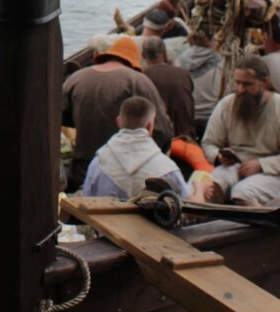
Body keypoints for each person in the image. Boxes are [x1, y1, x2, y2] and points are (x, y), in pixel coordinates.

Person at [63, 36, 174, 190]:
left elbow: (60, 117)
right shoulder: (138, 80)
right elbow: (164, 130)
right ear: (132, 63)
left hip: (81, 170)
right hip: (124, 175)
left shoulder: (75, 78)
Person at [200, 56, 280, 206]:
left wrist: (262, 164)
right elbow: (209, 143)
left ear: (264, 82)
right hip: (234, 167)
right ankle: (210, 225)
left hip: (273, 173)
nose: (240, 89)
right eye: (237, 83)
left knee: (243, 193)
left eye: (247, 84)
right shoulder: (227, 104)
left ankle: (258, 228)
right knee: (211, 185)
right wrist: (218, 157)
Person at [81, 96, 188, 199]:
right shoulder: (167, 169)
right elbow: (184, 204)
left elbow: (86, 200)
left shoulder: (98, 162)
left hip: (100, 217)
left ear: (118, 122)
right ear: (149, 126)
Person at [141, 35, 196, 138]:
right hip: (185, 136)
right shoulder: (183, 74)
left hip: (154, 137)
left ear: (143, 56)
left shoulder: (141, 77)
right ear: (165, 54)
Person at [175, 31, 224, 123]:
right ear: (210, 41)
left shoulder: (180, 59)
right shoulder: (222, 62)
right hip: (210, 115)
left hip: (186, 114)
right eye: (215, 39)